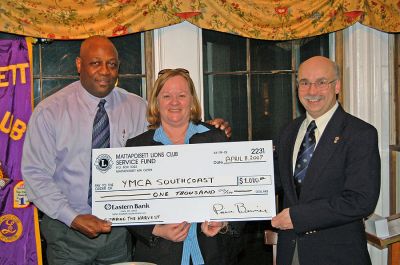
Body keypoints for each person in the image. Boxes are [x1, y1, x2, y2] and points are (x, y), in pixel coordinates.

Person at [21, 36, 230, 264]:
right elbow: (35, 175)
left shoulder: (136, 107)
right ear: (79, 65)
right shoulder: (50, 111)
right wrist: (73, 218)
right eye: (95, 63)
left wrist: (209, 128)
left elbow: (171, 138)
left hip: (118, 233)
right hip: (67, 232)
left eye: (112, 64)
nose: (105, 71)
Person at [125, 68, 244, 265]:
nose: (174, 102)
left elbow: (240, 194)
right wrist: (156, 229)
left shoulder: (216, 139)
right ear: (156, 102)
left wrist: (222, 222)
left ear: (192, 101)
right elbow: (125, 206)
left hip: (211, 253)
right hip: (159, 255)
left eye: (181, 95)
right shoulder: (137, 147)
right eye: (167, 96)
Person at [271, 56, 381, 265]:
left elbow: (361, 200)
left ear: (337, 86)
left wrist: (299, 217)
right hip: (291, 253)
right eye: (305, 83)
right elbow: (268, 181)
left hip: (339, 256)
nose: (312, 91)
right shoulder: (288, 131)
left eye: (322, 82)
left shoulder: (360, 133)